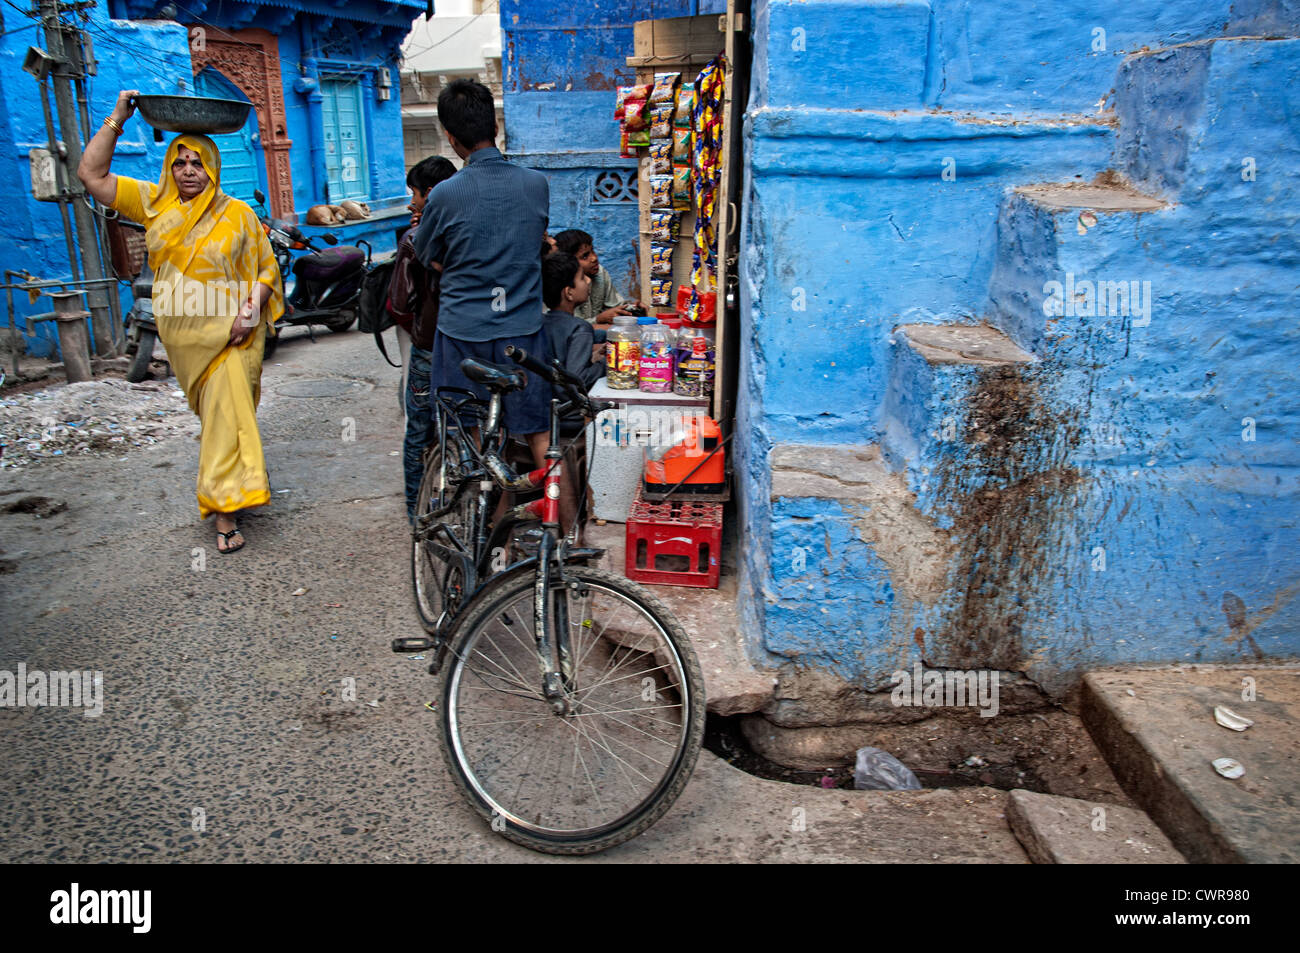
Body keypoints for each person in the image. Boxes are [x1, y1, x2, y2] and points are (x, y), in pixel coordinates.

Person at [78, 90, 282, 554]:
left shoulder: (239, 215)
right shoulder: (153, 203)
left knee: (227, 414)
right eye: (179, 162)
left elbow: (266, 268)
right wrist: (116, 118)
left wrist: (249, 313)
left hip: (234, 333)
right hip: (183, 338)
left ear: (213, 169)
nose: (188, 171)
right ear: (169, 167)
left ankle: (225, 509)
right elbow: (91, 174)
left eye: (198, 163)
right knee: (221, 418)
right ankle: (237, 480)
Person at [411, 78, 552, 471]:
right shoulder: (536, 184)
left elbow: (428, 255)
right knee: (539, 434)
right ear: (495, 127)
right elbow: (532, 240)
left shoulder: (443, 195)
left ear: (451, 137)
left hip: (462, 333)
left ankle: (484, 526)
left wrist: (460, 263)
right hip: (521, 329)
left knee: (473, 439)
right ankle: (560, 526)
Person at [390, 156, 457, 518]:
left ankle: (417, 510)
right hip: (467, 344)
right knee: (463, 426)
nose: (412, 202)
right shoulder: (469, 228)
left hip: (430, 345)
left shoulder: (416, 239)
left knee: (419, 428)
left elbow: (400, 302)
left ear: (429, 193)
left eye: (414, 194)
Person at [540, 251, 603, 536]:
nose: (588, 281)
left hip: (542, 418)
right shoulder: (580, 328)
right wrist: (602, 365)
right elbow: (576, 382)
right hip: (568, 420)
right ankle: (592, 513)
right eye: (581, 278)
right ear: (569, 292)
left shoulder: (540, 324)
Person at [553, 229, 633, 327]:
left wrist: (633, 309)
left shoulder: (600, 273)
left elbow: (616, 305)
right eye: (585, 256)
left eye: (592, 251)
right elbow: (567, 326)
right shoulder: (564, 286)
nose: (594, 258)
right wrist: (598, 319)